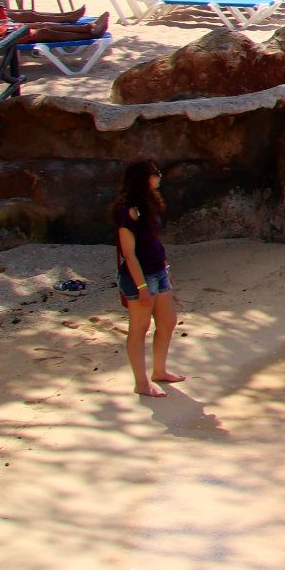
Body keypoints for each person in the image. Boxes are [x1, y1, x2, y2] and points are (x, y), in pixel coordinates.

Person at [113, 159, 182, 397]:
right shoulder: (127, 210)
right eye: (156, 173)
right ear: (144, 178)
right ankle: (141, 383)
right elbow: (129, 254)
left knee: (168, 321)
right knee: (139, 329)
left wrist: (164, 266)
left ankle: (159, 371)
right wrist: (142, 286)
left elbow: (152, 240)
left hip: (158, 271)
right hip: (140, 277)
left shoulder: (149, 204)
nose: (159, 176)